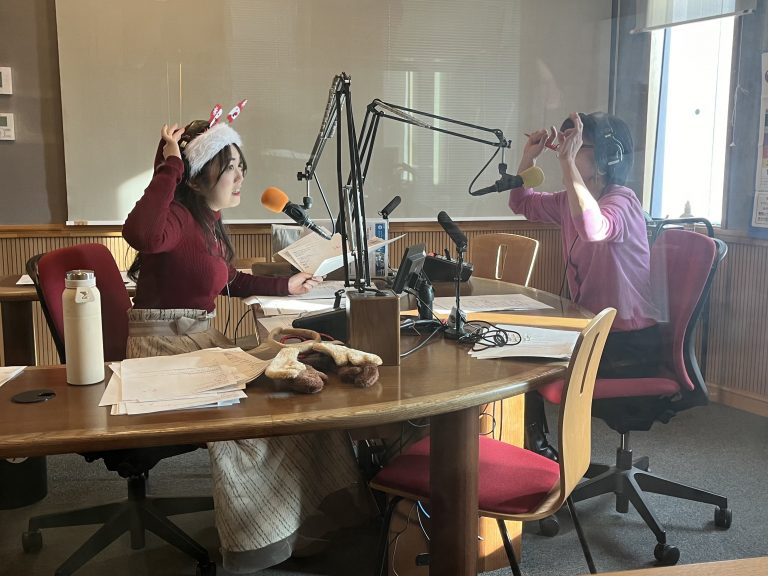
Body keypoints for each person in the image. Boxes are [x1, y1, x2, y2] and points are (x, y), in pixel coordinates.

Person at [123, 118, 372, 573]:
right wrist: (170, 165)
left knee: (295, 393)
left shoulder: (207, 220)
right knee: (252, 420)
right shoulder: (175, 216)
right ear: (197, 177)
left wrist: (286, 286)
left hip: (195, 341)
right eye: (229, 168)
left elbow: (228, 279)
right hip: (162, 350)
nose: (240, 176)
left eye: (240, 166)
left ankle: (306, 519)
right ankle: (262, 540)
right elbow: (140, 233)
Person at [509, 111, 661, 457]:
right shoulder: (569, 202)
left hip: (629, 344)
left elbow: (594, 228)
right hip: (597, 335)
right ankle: (537, 451)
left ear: (607, 159)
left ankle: (542, 454)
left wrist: (566, 163)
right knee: (515, 345)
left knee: (527, 357)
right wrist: (528, 158)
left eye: (578, 145)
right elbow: (521, 203)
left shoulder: (623, 201)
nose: (567, 150)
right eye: (565, 145)